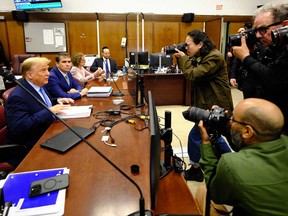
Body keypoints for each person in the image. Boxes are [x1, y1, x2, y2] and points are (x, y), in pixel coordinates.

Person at [199, 98, 288, 216]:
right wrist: (226, 128)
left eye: (233, 119)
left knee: (201, 193)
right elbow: (251, 148)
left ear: (247, 131)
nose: (230, 122)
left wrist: (206, 144)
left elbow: (216, 194)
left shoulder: (232, 165)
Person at [173, 30, 234, 182]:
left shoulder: (214, 57)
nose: (186, 48)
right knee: (213, 136)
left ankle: (198, 169)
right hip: (207, 104)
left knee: (198, 136)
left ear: (200, 44)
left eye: (188, 45)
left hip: (216, 106)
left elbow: (193, 74)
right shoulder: (202, 56)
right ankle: (230, 164)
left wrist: (183, 58)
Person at [4, 57, 74, 169]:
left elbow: (40, 104)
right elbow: (18, 127)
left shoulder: (40, 86)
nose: (48, 74)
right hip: (29, 146)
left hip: (47, 133)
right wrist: (49, 111)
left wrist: (57, 100)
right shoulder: (18, 96)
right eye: (43, 70)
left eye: (47, 70)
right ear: (29, 75)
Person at [232, 1, 288, 134]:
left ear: (285, 26)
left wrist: (246, 57)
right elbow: (260, 75)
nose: (258, 36)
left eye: (263, 29)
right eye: (255, 31)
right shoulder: (273, 48)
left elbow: (274, 80)